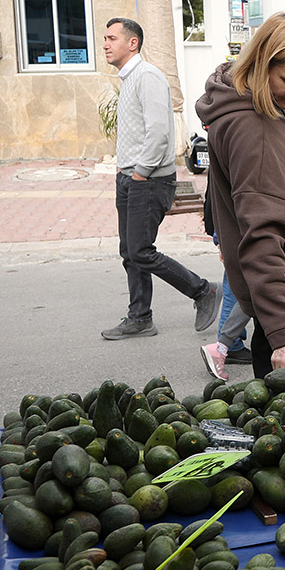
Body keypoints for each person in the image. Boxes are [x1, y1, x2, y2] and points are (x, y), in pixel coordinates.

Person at [195, 12, 285, 377]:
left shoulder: (260, 105)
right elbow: (261, 235)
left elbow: (263, 190)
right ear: (261, 63)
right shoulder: (252, 126)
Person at [99, 17, 220, 340]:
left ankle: (202, 290)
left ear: (132, 43)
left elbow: (159, 133)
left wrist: (139, 173)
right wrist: (125, 171)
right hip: (130, 177)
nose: (106, 44)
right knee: (130, 251)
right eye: (105, 38)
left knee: (140, 251)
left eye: (112, 38)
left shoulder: (148, 77)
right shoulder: (130, 79)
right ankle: (139, 317)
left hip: (148, 180)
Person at [198, 179, 253, 381]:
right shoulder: (240, 150)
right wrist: (220, 238)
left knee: (243, 289)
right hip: (243, 229)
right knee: (254, 290)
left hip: (236, 229)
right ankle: (223, 347)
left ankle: (224, 347)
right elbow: (220, 192)